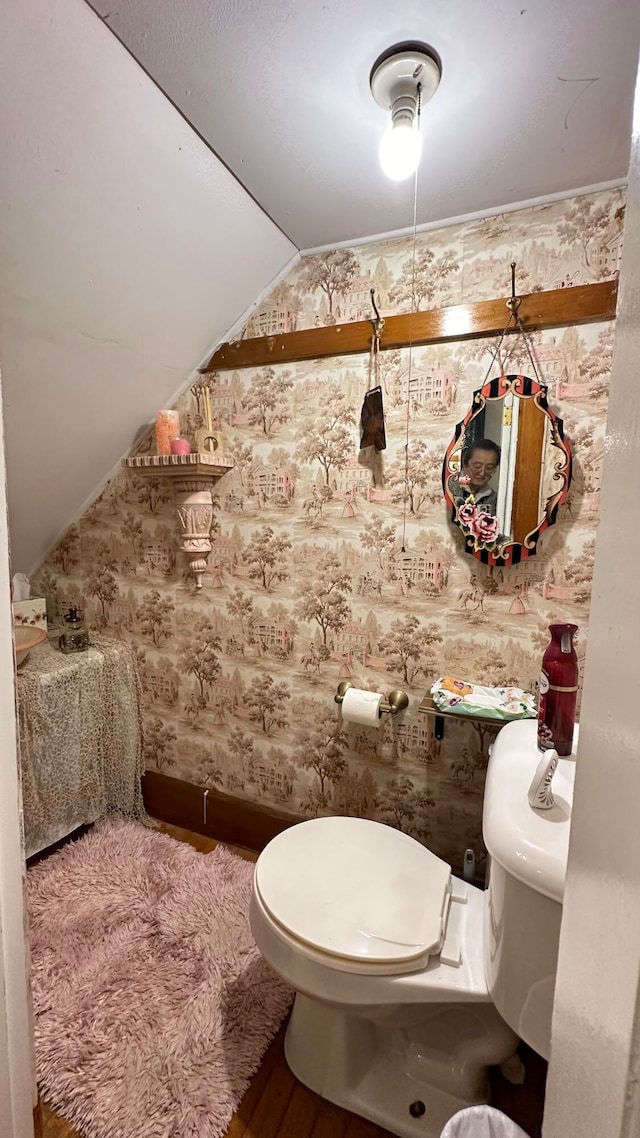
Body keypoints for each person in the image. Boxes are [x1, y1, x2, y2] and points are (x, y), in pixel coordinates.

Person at [449, 439, 501, 517]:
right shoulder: (450, 487)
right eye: (477, 466)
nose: (482, 473)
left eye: (489, 468)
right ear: (465, 463)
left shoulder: (494, 499)